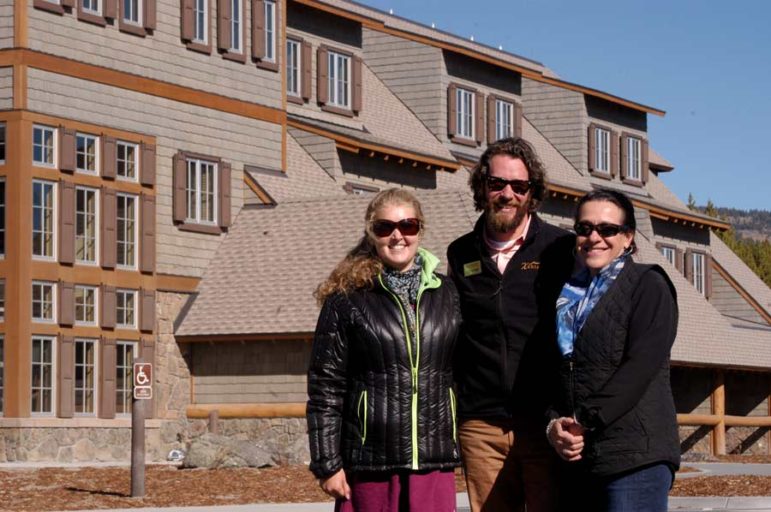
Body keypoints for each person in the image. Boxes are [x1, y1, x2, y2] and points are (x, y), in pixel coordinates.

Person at [307, 188, 462, 512]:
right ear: (371, 233)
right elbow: (325, 387)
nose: (397, 235)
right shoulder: (346, 299)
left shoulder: (448, 294)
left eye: (407, 225)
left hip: (433, 462)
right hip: (370, 463)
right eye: (384, 227)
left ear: (420, 230)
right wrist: (327, 462)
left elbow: (460, 371)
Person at [446, 137, 575, 512]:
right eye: (497, 184)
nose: (507, 194)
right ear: (482, 186)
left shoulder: (559, 249)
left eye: (519, 186)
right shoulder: (461, 252)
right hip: (480, 425)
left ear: (532, 192)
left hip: (543, 424)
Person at [547, 189, 680, 512]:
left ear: (628, 237)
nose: (594, 237)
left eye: (607, 229)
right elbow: (556, 371)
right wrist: (553, 424)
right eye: (584, 228)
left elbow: (640, 367)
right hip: (579, 461)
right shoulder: (566, 298)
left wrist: (583, 419)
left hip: (635, 458)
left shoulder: (648, 285)